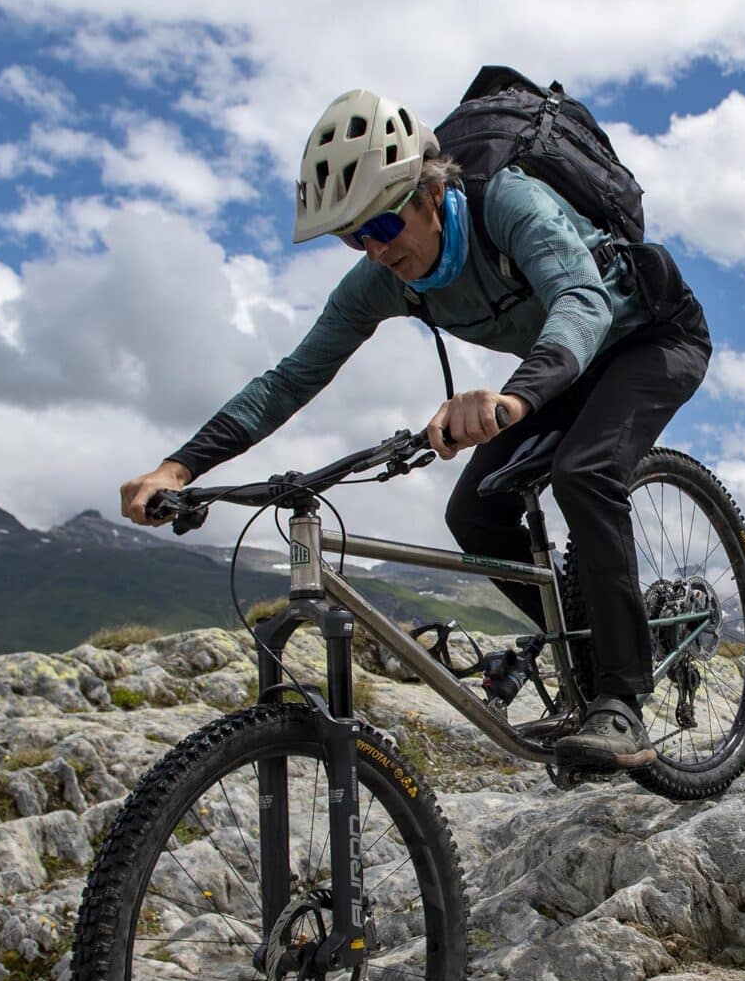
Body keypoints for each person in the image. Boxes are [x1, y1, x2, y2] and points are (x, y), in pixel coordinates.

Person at [119, 89, 712, 771]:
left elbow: (580, 300)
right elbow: (290, 379)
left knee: (585, 472)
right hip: (562, 366)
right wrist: (180, 467)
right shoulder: (384, 279)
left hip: (651, 337)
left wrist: (512, 399)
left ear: (429, 193)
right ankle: (590, 651)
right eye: (351, 238)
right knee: (475, 511)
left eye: (378, 228)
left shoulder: (509, 204)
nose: (369, 252)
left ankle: (622, 699)